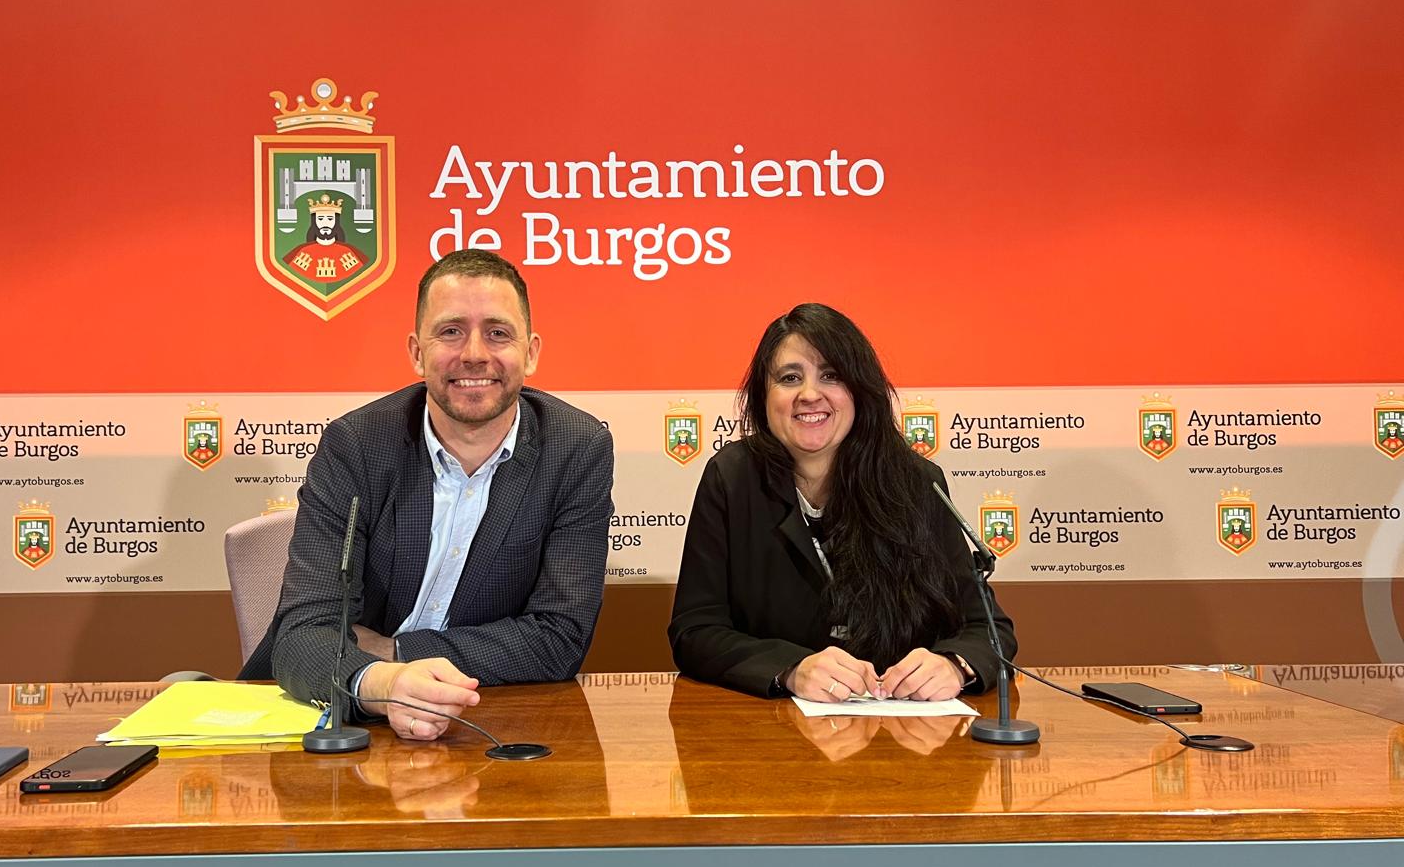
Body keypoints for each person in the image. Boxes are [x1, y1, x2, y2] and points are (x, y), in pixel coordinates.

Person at [240, 249, 614, 741]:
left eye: (498, 333)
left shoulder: (576, 448)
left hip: (480, 719)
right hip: (336, 716)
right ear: (417, 351)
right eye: (451, 331)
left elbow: (558, 638)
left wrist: (398, 652)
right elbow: (304, 632)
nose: (475, 353)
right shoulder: (356, 445)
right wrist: (381, 682)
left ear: (531, 351)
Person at [669, 303, 1016, 703]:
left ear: (859, 391)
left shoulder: (918, 482)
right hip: (778, 736)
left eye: (831, 375)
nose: (810, 394)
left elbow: (990, 628)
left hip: (906, 734)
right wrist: (791, 668)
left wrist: (955, 664)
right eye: (789, 377)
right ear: (764, 396)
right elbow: (695, 630)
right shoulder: (731, 478)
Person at [284, 194, 366, 285]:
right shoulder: (301, 252)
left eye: (330, 219)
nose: (325, 223)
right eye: (320, 219)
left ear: (336, 222)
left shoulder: (350, 252)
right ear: (314, 222)